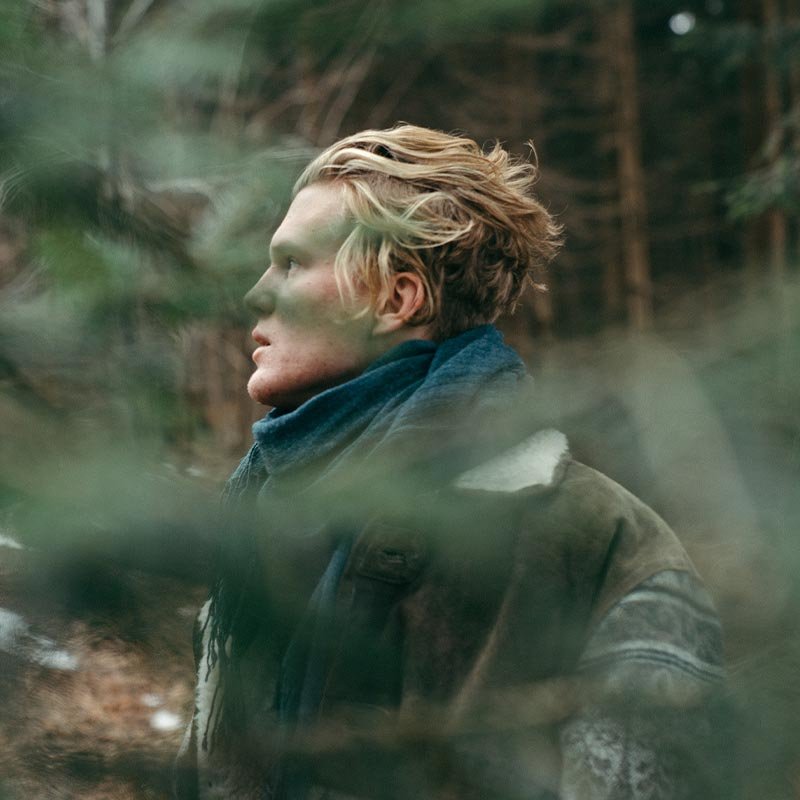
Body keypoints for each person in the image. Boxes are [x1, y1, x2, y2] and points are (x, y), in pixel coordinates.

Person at [175, 125, 725, 800]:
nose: (257, 295)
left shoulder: (604, 547)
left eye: (291, 264)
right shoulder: (259, 519)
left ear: (395, 299)